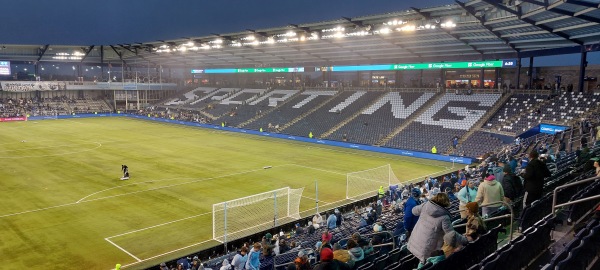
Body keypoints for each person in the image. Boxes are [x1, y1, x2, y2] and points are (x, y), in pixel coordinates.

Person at [408, 193, 460, 263]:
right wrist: (464, 240)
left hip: (415, 242)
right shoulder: (444, 217)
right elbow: (451, 235)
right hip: (428, 249)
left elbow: (413, 211)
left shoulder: (426, 205)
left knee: (422, 262)